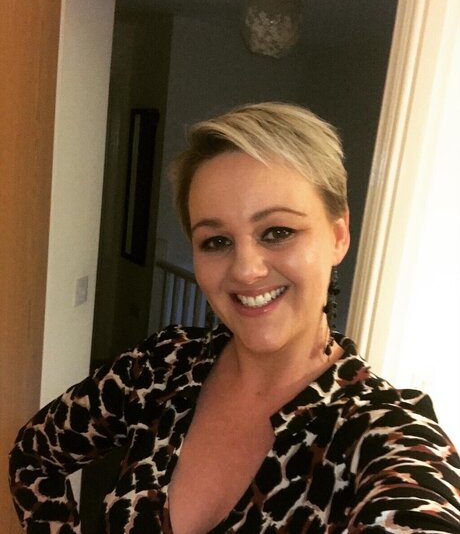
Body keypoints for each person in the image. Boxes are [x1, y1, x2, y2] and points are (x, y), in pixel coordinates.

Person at [9, 102, 460, 534]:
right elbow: (34, 457)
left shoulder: (382, 434)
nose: (246, 270)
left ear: (339, 235)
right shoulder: (164, 366)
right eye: (216, 241)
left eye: (278, 232)